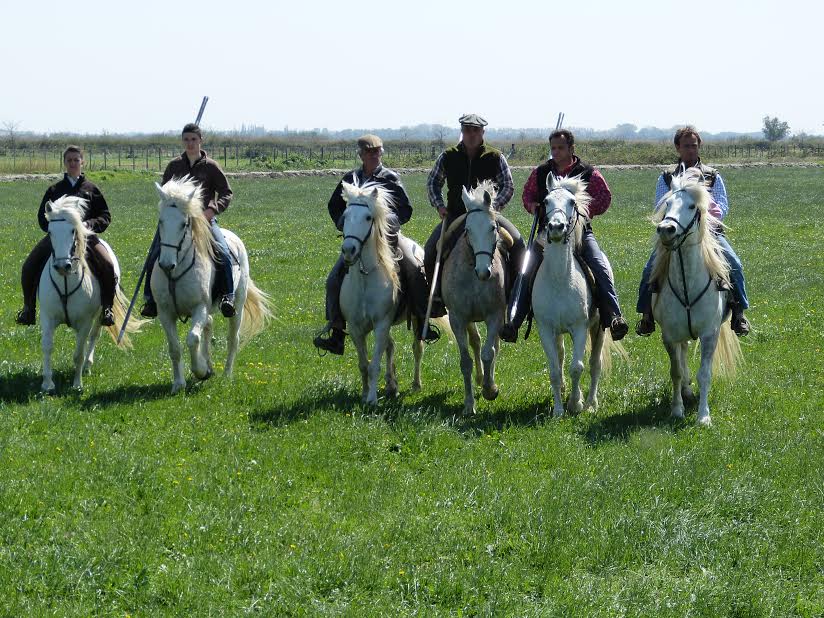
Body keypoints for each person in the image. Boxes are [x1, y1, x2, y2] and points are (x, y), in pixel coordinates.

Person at [313, 134, 440, 355]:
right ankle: (336, 332)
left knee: (414, 268)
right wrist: (346, 225)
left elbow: (406, 210)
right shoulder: (350, 179)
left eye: (377, 152)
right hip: (359, 241)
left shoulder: (390, 178)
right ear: (361, 155)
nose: (373, 156)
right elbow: (334, 206)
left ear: (381, 153)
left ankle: (423, 322)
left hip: (389, 238)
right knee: (333, 279)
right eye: (369, 153)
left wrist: (385, 224)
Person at [500, 129, 629, 342]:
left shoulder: (588, 172)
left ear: (571, 148)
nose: (556, 152)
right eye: (553, 148)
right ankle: (514, 321)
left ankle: (614, 316)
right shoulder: (541, 172)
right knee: (525, 270)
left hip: (580, 234)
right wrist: (532, 205)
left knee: (599, 265)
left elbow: (604, 197)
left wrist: (584, 208)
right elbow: (527, 194)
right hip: (547, 234)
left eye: (560, 148)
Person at [635, 126, 750, 337]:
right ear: (677, 148)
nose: (691, 150)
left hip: (708, 234)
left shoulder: (712, 176)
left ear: (699, 147)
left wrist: (709, 219)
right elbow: (661, 205)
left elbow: (723, 205)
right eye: (686, 146)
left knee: (734, 263)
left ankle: (738, 312)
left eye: (694, 146)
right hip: (674, 233)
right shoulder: (667, 178)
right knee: (649, 269)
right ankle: (646, 315)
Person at [424, 113, 524, 317]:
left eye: (476, 131)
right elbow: (433, 182)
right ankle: (436, 298)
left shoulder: (495, 156)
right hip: (456, 216)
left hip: (488, 216)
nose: (471, 135)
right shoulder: (448, 155)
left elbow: (508, 186)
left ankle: (515, 294)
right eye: (468, 130)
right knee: (430, 250)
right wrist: (440, 206)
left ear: (482, 133)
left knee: (519, 245)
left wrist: (492, 207)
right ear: (462, 132)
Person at [140, 123, 235, 318]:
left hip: (203, 221)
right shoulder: (174, 166)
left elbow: (226, 193)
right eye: (186, 139)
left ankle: (227, 296)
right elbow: (165, 195)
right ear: (182, 141)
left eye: (193, 139)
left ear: (201, 140)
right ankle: (151, 300)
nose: (190, 143)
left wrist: (212, 210)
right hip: (176, 224)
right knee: (154, 254)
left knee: (223, 251)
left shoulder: (211, 167)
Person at [16, 145, 116, 327]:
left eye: (76, 160)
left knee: (108, 265)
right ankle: (28, 309)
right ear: (64, 163)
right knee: (29, 266)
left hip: (85, 238)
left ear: (82, 162)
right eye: (69, 160)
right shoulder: (54, 190)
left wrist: (88, 225)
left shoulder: (91, 189)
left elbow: (105, 216)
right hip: (58, 239)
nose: (73, 163)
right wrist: (55, 228)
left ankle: (108, 308)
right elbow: (42, 217)